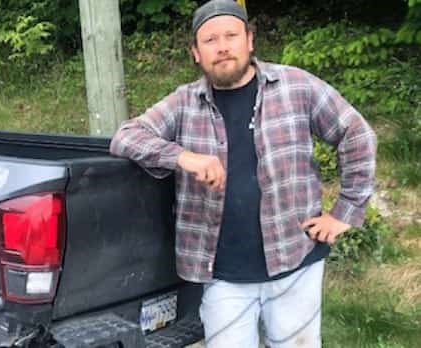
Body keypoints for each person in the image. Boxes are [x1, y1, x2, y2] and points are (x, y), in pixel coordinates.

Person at [109, 0, 377, 347]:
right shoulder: (183, 103)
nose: (222, 47)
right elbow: (125, 137)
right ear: (195, 52)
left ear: (249, 40)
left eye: (231, 36)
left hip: (296, 261)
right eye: (210, 40)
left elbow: (356, 134)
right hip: (223, 275)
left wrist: (346, 212)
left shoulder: (297, 86)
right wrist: (183, 157)